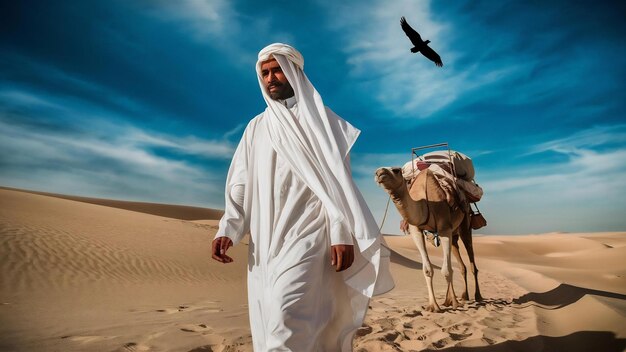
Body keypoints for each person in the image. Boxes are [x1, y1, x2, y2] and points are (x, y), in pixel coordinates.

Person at [212, 43, 393, 351]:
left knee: (286, 318)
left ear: (294, 71)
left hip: (310, 235)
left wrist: (341, 232)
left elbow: (339, 184)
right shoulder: (257, 127)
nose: (270, 78)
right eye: (265, 72)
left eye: (277, 70)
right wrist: (228, 227)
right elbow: (240, 183)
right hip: (266, 242)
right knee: (270, 318)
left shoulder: (323, 122)